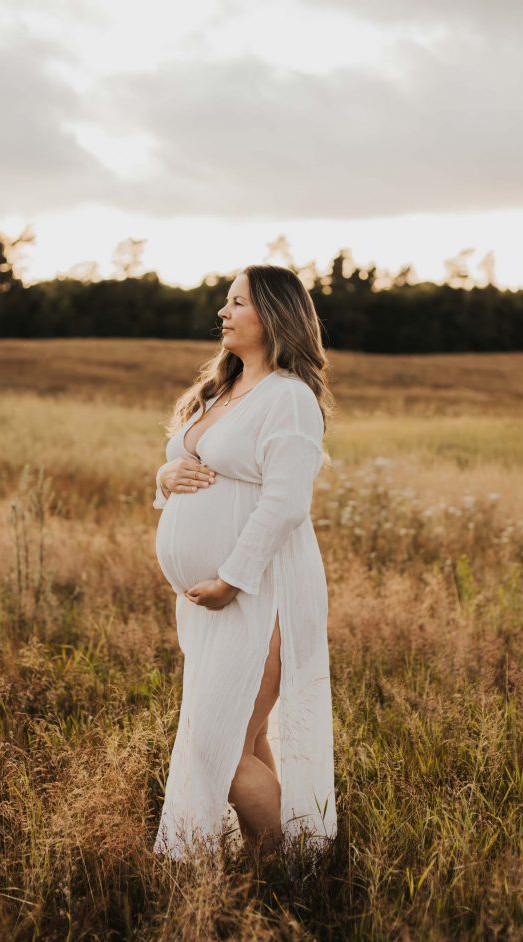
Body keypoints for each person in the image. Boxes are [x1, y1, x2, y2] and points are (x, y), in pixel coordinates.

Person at [152, 263, 337, 861]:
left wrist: (232, 579)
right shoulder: (216, 391)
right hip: (209, 606)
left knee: (222, 749)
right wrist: (163, 475)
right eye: (225, 302)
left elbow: (286, 503)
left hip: (261, 594)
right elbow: (181, 470)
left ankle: (297, 870)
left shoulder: (289, 397)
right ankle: (276, 869)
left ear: (274, 316)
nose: (223, 313)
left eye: (237, 303)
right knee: (247, 737)